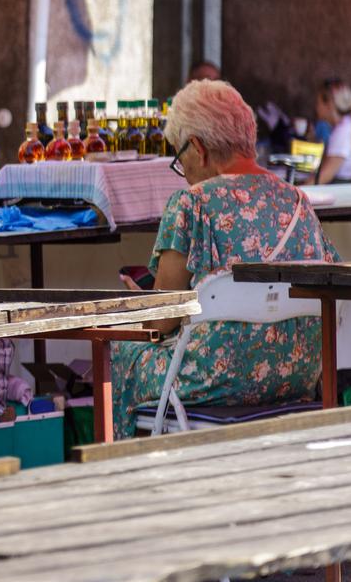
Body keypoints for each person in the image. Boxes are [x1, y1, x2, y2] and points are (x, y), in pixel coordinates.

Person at [110, 79, 338, 440]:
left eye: (179, 157)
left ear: (197, 148)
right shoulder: (298, 201)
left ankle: (128, 471)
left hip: (214, 380)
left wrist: (142, 302)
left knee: (123, 348)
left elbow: (164, 320)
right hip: (298, 373)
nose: (182, 171)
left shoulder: (192, 204)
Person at [315, 78, 351, 185]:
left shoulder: (343, 131)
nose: (317, 107)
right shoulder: (345, 125)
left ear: (329, 104)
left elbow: (325, 175)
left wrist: (298, 192)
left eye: (319, 102)